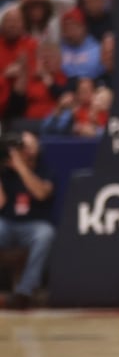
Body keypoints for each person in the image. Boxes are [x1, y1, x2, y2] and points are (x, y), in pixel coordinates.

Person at [0, 132, 54, 309]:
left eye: (31, 145)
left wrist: (21, 167)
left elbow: (41, 193)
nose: (27, 149)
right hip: (7, 224)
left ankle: (25, 292)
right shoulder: (5, 169)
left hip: (33, 225)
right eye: (23, 146)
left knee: (46, 233)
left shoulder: (45, 168)